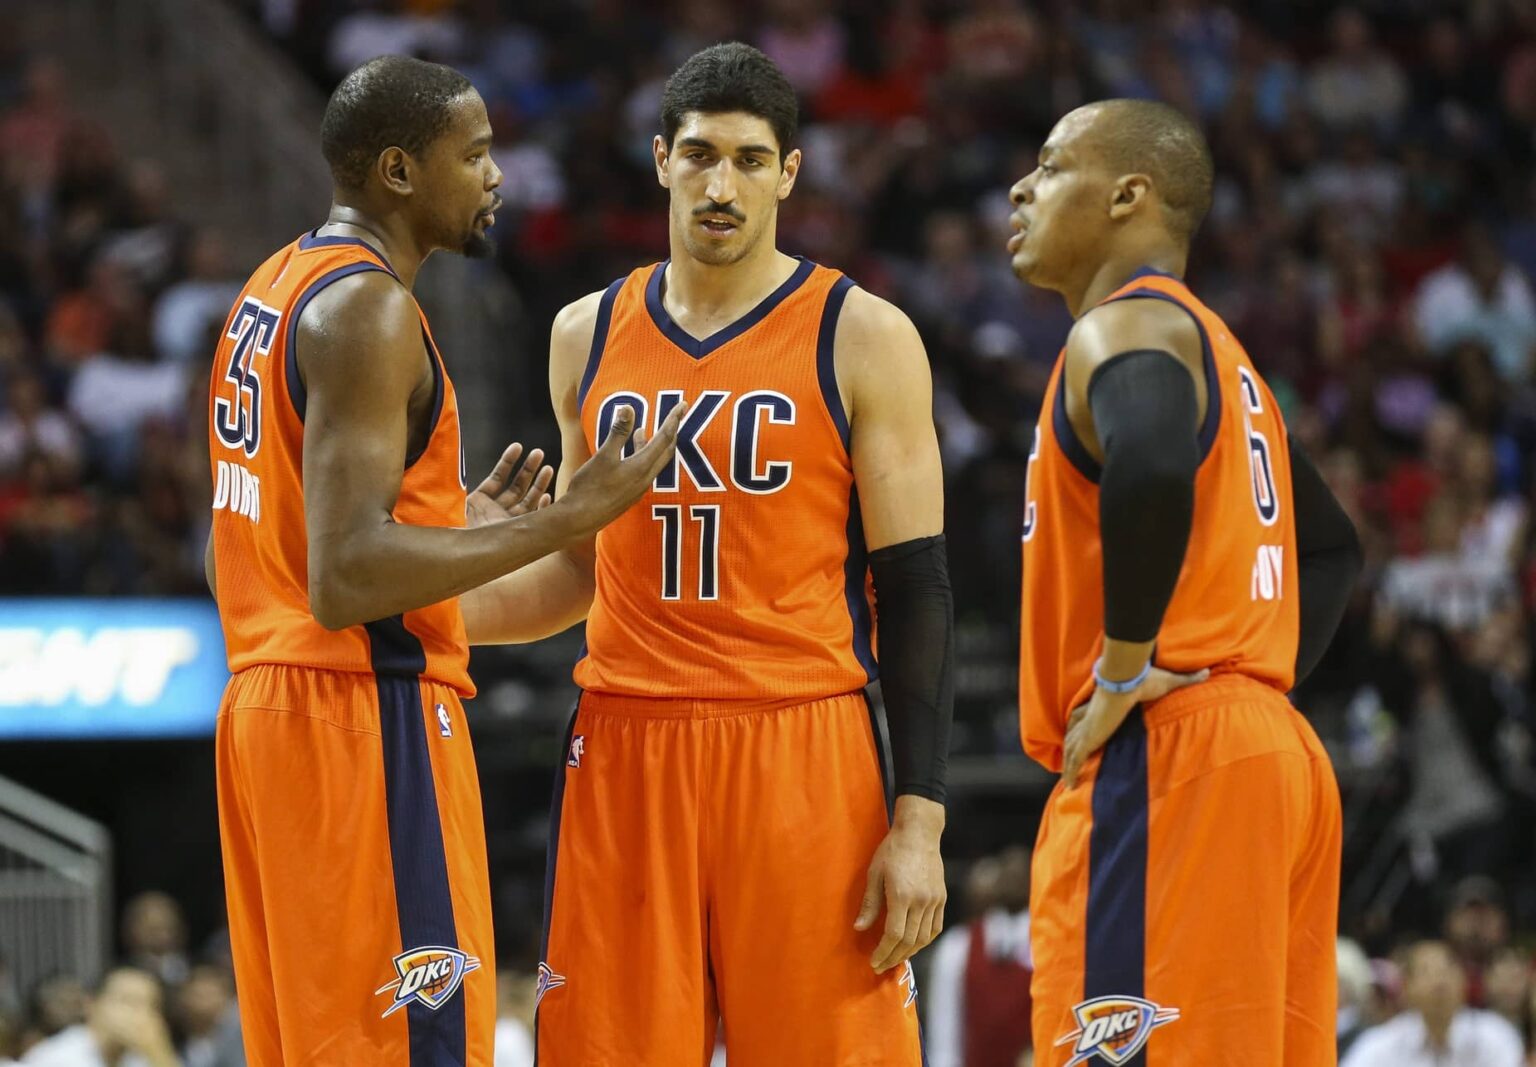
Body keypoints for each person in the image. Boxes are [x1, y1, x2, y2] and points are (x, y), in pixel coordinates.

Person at [463, 42, 953, 1066]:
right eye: (698, 156)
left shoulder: (864, 334)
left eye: (745, 157)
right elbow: (574, 571)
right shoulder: (582, 332)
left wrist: (920, 824)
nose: (719, 183)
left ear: (788, 172)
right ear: (659, 160)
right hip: (628, 738)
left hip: (803, 743)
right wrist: (430, 595)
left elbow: (915, 589)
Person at [205, 55, 681, 1066]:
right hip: (360, 725)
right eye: (472, 154)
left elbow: (261, 558)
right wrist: (562, 520)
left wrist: (456, 542)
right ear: (398, 171)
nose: (496, 176)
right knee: (416, 1047)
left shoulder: (275, 286)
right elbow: (345, 580)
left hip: (270, 713)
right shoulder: (370, 311)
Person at [1008, 99, 1362, 1065]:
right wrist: (1245, 674)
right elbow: (1333, 551)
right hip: (1269, 751)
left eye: (1049, 165)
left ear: (1130, 195)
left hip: (1168, 756)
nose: (1020, 188)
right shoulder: (1229, 358)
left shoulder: (1127, 329)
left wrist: (1128, 667)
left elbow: (1154, 460)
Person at [1341, 941, 1522, 1067]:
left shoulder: (1496, 1036)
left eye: (1447, 969)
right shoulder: (1379, 1044)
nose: (1439, 981)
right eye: (1426, 972)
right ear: (1406, 987)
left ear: (1464, 980)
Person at [22, 968, 178, 1067]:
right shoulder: (55, 1057)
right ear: (91, 1004)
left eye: (151, 1005)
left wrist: (159, 1053)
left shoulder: (144, 1056)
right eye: (128, 1001)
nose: (139, 1013)